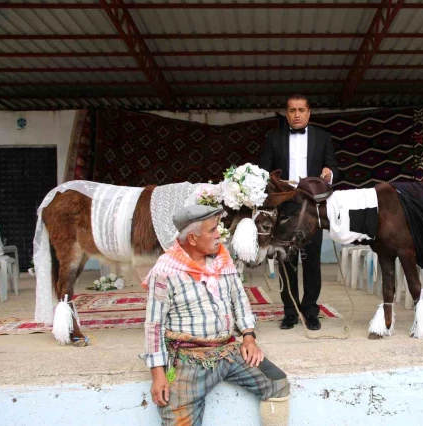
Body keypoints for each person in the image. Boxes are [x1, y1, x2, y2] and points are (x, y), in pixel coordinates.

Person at [140, 204, 290, 426]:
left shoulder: (222, 259)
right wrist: (158, 374)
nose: (219, 235)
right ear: (192, 239)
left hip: (228, 351)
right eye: (212, 230)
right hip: (189, 360)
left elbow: (239, 299)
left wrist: (248, 337)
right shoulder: (165, 271)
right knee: (178, 418)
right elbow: (154, 325)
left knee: (277, 382)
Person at [259, 94, 339, 331]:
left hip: (311, 207)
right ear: (286, 113)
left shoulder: (323, 137)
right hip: (285, 205)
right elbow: (263, 171)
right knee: (287, 261)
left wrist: (329, 174)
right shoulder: (273, 139)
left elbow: (334, 167)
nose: (296, 114)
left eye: (301, 110)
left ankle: (311, 311)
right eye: (292, 110)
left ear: (308, 113)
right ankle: (290, 312)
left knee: (312, 261)